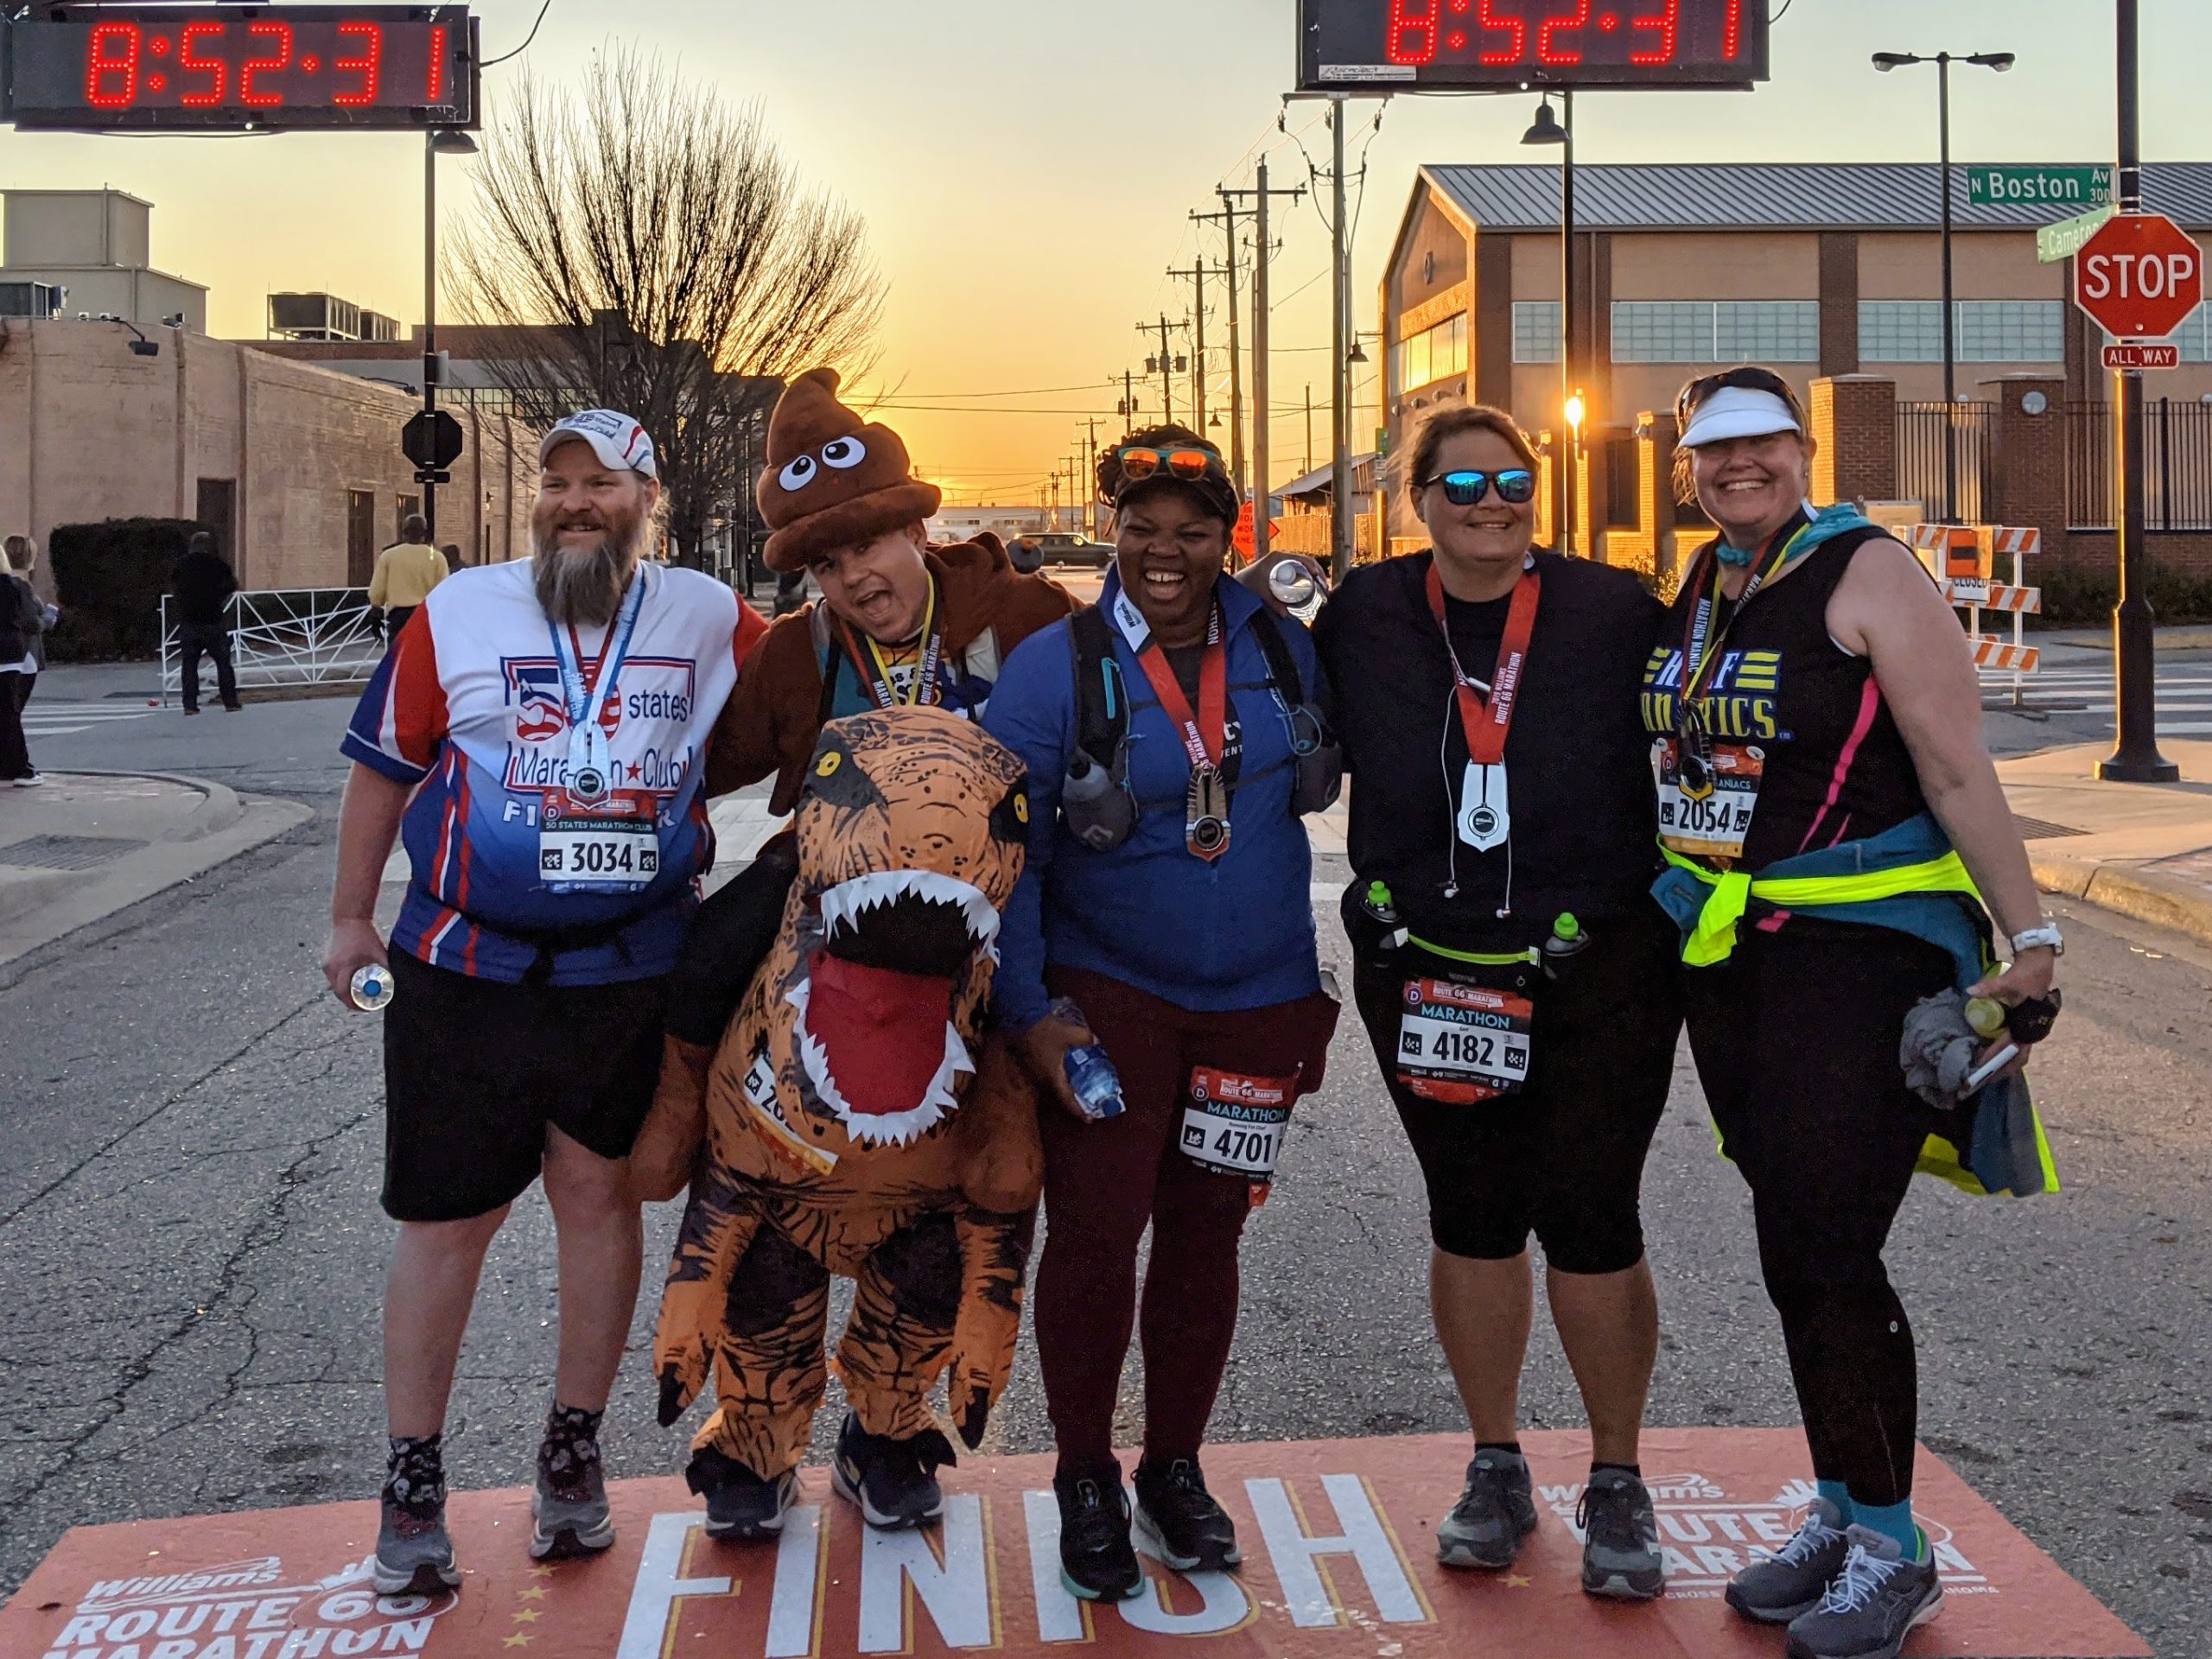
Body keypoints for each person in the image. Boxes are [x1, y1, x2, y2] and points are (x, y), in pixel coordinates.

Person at [1645, 368, 2061, 1659]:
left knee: (1831, 1249)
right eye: (1714, 452)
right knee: (1792, 1247)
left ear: (1801, 448)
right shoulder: (1711, 582)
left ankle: (1895, 1546)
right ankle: (1839, 1507)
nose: (1738, 468)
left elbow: (1954, 765)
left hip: (1863, 951)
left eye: (1760, 445)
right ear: (1687, 469)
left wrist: (2034, 936)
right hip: (1735, 956)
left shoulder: (1870, 572)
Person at [321, 409, 767, 1597]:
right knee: (449, 1223)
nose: (574, 500)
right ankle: (412, 1478)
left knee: (598, 1199)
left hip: (628, 971)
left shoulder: (711, 616)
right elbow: (386, 766)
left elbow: (820, 695)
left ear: (647, 500)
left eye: (602, 482)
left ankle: (572, 1455)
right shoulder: (458, 614)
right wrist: (350, 916)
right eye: (557, 481)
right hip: (465, 968)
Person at [1313, 404, 1681, 1601]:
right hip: (1424, 965)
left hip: (1600, 964)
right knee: (1470, 1213)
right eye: (1462, 481)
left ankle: (1617, 1476)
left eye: (1513, 479)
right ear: (1415, 497)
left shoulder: (1617, 611)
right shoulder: (1364, 612)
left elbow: (1730, 725)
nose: (1491, 501)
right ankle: (1496, 1462)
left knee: (1592, 1214)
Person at [982, 426, 1340, 1602]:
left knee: (1208, 1237)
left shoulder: (1284, 649)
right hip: (1110, 1002)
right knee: (1097, 1238)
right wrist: (1030, 1009)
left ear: (1227, 535)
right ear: (1114, 532)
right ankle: (1085, 1472)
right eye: (1142, 529)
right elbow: (1010, 857)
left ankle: (1173, 1467)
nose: (1166, 552)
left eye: (1192, 531)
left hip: (1259, 1001)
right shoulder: (1055, 667)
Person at [629, 367, 1074, 1198]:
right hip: (839, 876)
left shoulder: (1024, 616)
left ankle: (1000, 1118)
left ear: (916, 528)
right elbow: (706, 759)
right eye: (828, 565)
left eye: (868, 546)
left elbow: (1120, 701)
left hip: (994, 872)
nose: (855, 580)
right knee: (720, 934)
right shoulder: (800, 650)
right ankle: (681, 1098)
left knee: (1052, 957)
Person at [169, 530, 241, 715]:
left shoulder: (182, 565)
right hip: (213, 619)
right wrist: (217, 597)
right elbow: (232, 585)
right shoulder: (219, 565)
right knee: (223, 663)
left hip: (190, 621)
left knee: (189, 665)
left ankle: (190, 705)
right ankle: (230, 701)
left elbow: (174, 586)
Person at [0, 536, 49, 786]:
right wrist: (48, 617)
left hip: (12, 656)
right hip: (17, 656)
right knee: (11, 713)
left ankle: (10, 766)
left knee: (8, 713)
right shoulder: (15, 586)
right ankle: (20, 768)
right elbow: (28, 623)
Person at [369, 514, 449, 646]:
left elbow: (377, 592)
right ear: (424, 534)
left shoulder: (389, 556)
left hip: (398, 615)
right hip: (425, 615)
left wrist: (376, 610)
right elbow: (443, 591)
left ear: (404, 532)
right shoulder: (437, 558)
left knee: (398, 657)